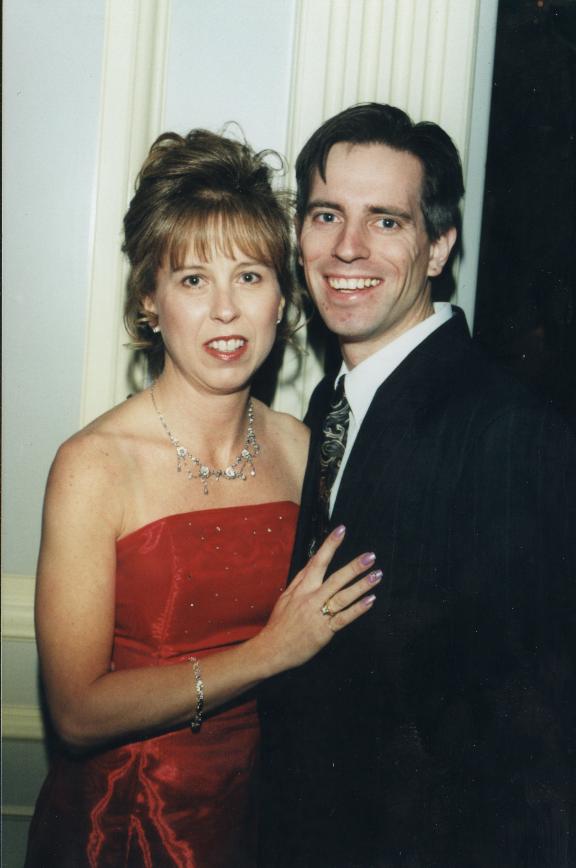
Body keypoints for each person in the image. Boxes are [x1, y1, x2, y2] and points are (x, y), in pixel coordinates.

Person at [24, 128, 380, 868]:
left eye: (249, 276)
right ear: (150, 301)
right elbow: (76, 711)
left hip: (264, 816)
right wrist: (265, 655)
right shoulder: (94, 467)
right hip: (125, 824)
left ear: (281, 299)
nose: (225, 310)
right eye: (192, 280)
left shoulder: (304, 447)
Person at [259, 103, 576, 868]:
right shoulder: (328, 405)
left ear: (438, 247)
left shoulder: (508, 432)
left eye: (386, 221)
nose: (348, 247)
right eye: (327, 215)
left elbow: (531, 754)